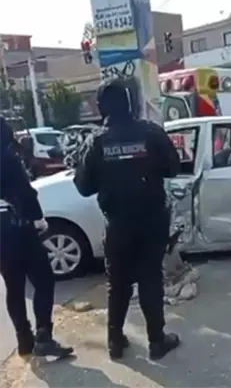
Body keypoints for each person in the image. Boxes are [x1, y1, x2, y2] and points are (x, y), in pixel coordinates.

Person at [73, 79, 182, 361]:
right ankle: (156, 341)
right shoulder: (150, 133)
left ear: (101, 107)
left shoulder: (95, 141)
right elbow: (173, 167)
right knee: (149, 278)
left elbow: (83, 186)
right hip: (151, 221)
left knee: (118, 284)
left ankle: (115, 341)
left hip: (118, 224)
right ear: (131, 102)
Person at [0, 117, 74, 359]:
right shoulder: (8, 159)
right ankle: (44, 336)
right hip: (18, 228)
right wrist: (39, 219)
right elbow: (26, 192)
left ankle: (24, 340)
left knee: (14, 287)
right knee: (43, 281)